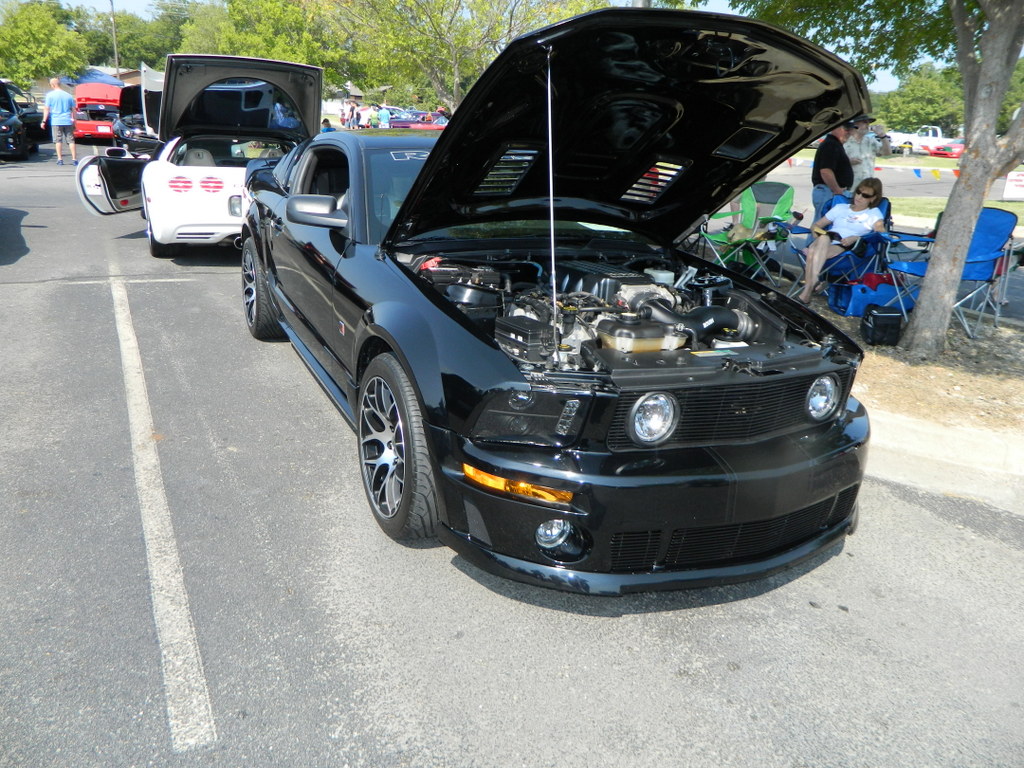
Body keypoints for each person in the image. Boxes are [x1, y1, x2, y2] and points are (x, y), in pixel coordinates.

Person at [795, 177, 886, 304]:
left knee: (812, 252)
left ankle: (808, 290)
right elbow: (816, 225)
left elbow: (881, 234)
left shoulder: (873, 213)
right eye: (858, 192)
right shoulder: (841, 207)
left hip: (845, 247)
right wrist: (817, 233)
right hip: (825, 240)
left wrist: (856, 238)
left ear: (873, 198)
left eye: (865, 195)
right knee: (824, 237)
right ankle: (813, 282)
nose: (859, 197)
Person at [810, 123, 854, 222]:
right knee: (821, 225)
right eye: (846, 128)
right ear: (834, 127)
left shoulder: (835, 144)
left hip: (830, 192)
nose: (849, 132)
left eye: (850, 129)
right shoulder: (831, 144)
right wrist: (837, 190)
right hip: (828, 192)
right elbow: (826, 171)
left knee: (827, 225)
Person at [845, 114, 891, 188]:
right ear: (855, 124)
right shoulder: (844, 141)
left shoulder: (871, 141)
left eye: (868, 123)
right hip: (849, 187)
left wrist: (882, 136)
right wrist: (847, 162)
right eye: (864, 122)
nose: (868, 125)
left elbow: (887, 153)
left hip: (867, 188)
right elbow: (833, 163)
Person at [40, 77, 77, 166]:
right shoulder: (68, 95)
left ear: (52, 85)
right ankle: (74, 159)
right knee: (71, 140)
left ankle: (60, 159)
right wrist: (74, 121)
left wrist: (44, 121)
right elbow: (73, 109)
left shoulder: (50, 95)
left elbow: (46, 109)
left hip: (56, 120)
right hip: (67, 120)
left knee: (58, 140)